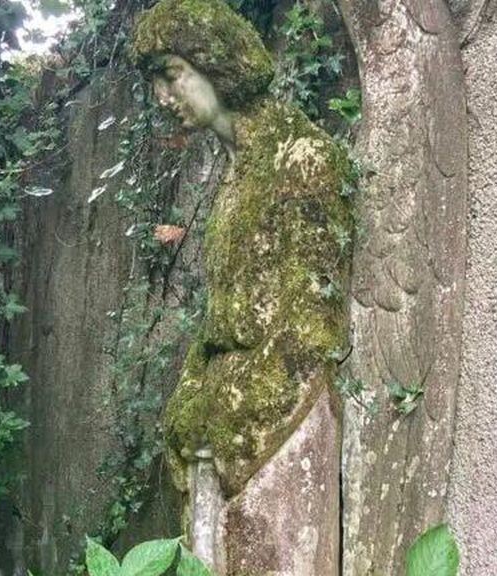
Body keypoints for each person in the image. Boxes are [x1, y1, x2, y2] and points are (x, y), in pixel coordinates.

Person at [132, 0, 353, 572]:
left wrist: (222, 423)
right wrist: (186, 401)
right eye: (156, 80)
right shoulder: (235, 180)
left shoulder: (303, 160)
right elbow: (217, 322)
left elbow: (310, 334)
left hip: (278, 432)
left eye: (172, 73)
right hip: (221, 432)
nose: (162, 97)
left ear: (218, 65)